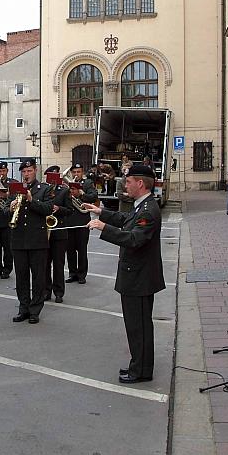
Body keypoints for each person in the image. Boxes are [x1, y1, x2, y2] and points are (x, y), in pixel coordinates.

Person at [83, 165, 164, 384]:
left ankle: (142, 371)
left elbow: (135, 239)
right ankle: (138, 365)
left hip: (139, 277)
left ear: (140, 183)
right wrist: (102, 213)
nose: (124, 184)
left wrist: (102, 227)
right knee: (135, 325)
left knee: (140, 327)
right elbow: (126, 219)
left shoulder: (148, 209)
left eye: (128, 181)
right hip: (136, 275)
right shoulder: (141, 206)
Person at [10, 158, 54, 324]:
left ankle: (35, 310)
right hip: (19, 240)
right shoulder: (14, 189)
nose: (26, 174)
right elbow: (6, 210)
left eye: (29, 171)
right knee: (21, 277)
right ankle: (23, 308)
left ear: (35, 171)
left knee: (38, 277)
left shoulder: (44, 189)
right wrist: (12, 206)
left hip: (37, 240)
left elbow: (48, 209)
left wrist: (31, 200)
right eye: (24, 172)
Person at [65, 163, 98, 284]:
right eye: (74, 172)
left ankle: (82, 275)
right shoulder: (67, 184)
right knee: (70, 250)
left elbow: (94, 197)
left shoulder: (88, 183)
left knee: (82, 250)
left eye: (78, 172)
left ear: (82, 172)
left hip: (82, 221)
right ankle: (72, 273)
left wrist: (81, 194)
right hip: (69, 220)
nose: (76, 174)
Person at [44, 166, 73, 303]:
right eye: (50, 176)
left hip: (59, 232)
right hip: (44, 232)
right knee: (44, 264)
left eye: (55, 176)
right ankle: (46, 291)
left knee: (58, 264)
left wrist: (58, 208)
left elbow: (70, 210)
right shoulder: (43, 190)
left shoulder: (64, 191)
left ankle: (59, 292)